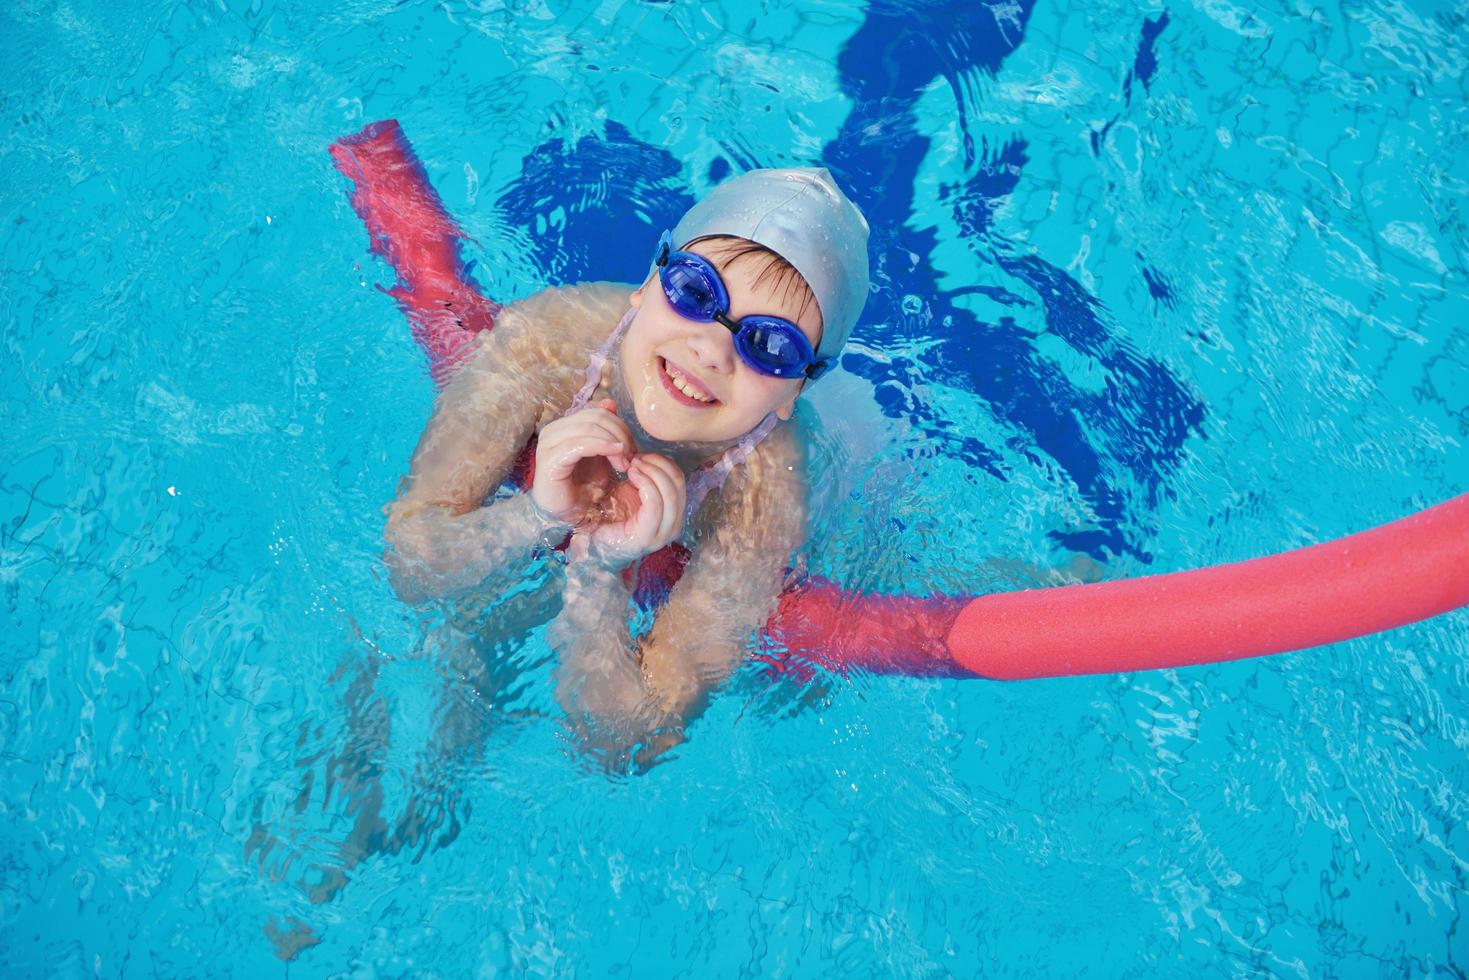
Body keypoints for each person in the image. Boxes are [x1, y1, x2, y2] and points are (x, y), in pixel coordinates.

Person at [378, 165, 871, 753]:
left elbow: (631, 742)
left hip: (855, 455)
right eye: (695, 290)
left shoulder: (766, 491)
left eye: (771, 345)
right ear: (648, 282)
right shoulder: (548, 338)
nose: (710, 348)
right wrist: (537, 516)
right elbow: (409, 569)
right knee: (396, 676)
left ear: (796, 390)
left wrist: (599, 580)